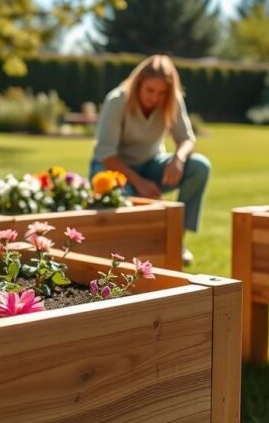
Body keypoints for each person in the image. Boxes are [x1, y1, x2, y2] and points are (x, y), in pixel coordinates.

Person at [90, 54, 210, 266]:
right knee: (122, 199)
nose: (155, 97)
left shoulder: (173, 101)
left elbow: (186, 139)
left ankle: (175, 241)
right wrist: (139, 183)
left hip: (151, 164)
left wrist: (178, 159)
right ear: (138, 84)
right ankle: (125, 253)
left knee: (199, 166)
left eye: (162, 93)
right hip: (112, 168)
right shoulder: (117, 100)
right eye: (150, 90)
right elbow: (105, 153)